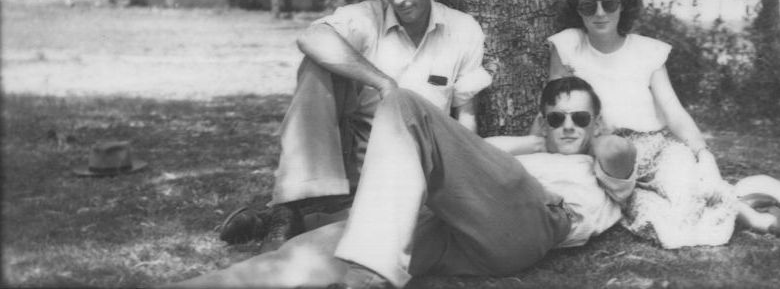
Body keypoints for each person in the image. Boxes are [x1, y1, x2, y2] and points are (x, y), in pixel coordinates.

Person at [170, 77, 637, 288]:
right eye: (557, 118)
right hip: (460, 230)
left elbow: (618, 155)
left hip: (539, 220)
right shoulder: (525, 149)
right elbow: (476, 152)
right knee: (314, 252)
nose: (568, 126)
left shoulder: (604, 165)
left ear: (596, 121)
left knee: (404, 104)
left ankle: (374, 272)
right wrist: (533, 141)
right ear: (544, 121)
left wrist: (601, 135)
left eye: (580, 117)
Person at [220, 0, 492, 250]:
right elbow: (311, 36)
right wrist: (382, 83)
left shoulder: (463, 30)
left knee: (396, 227)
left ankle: (284, 219)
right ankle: (291, 205)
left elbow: (467, 117)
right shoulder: (366, 17)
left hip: (422, 169)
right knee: (315, 66)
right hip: (359, 166)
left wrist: (470, 182)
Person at [545, 0, 780, 249]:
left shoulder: (647, 51)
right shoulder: (567, 46)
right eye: (588, 6)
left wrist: (704, 154)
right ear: (577, 10)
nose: (600, 13)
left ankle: (758, 217)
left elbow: (673, 111)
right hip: (613, 159)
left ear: (624, 4)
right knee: (669, 229)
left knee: (689, 196)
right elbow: (551, 106)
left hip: (659, 150)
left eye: (609, 3)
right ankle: (750, 210)